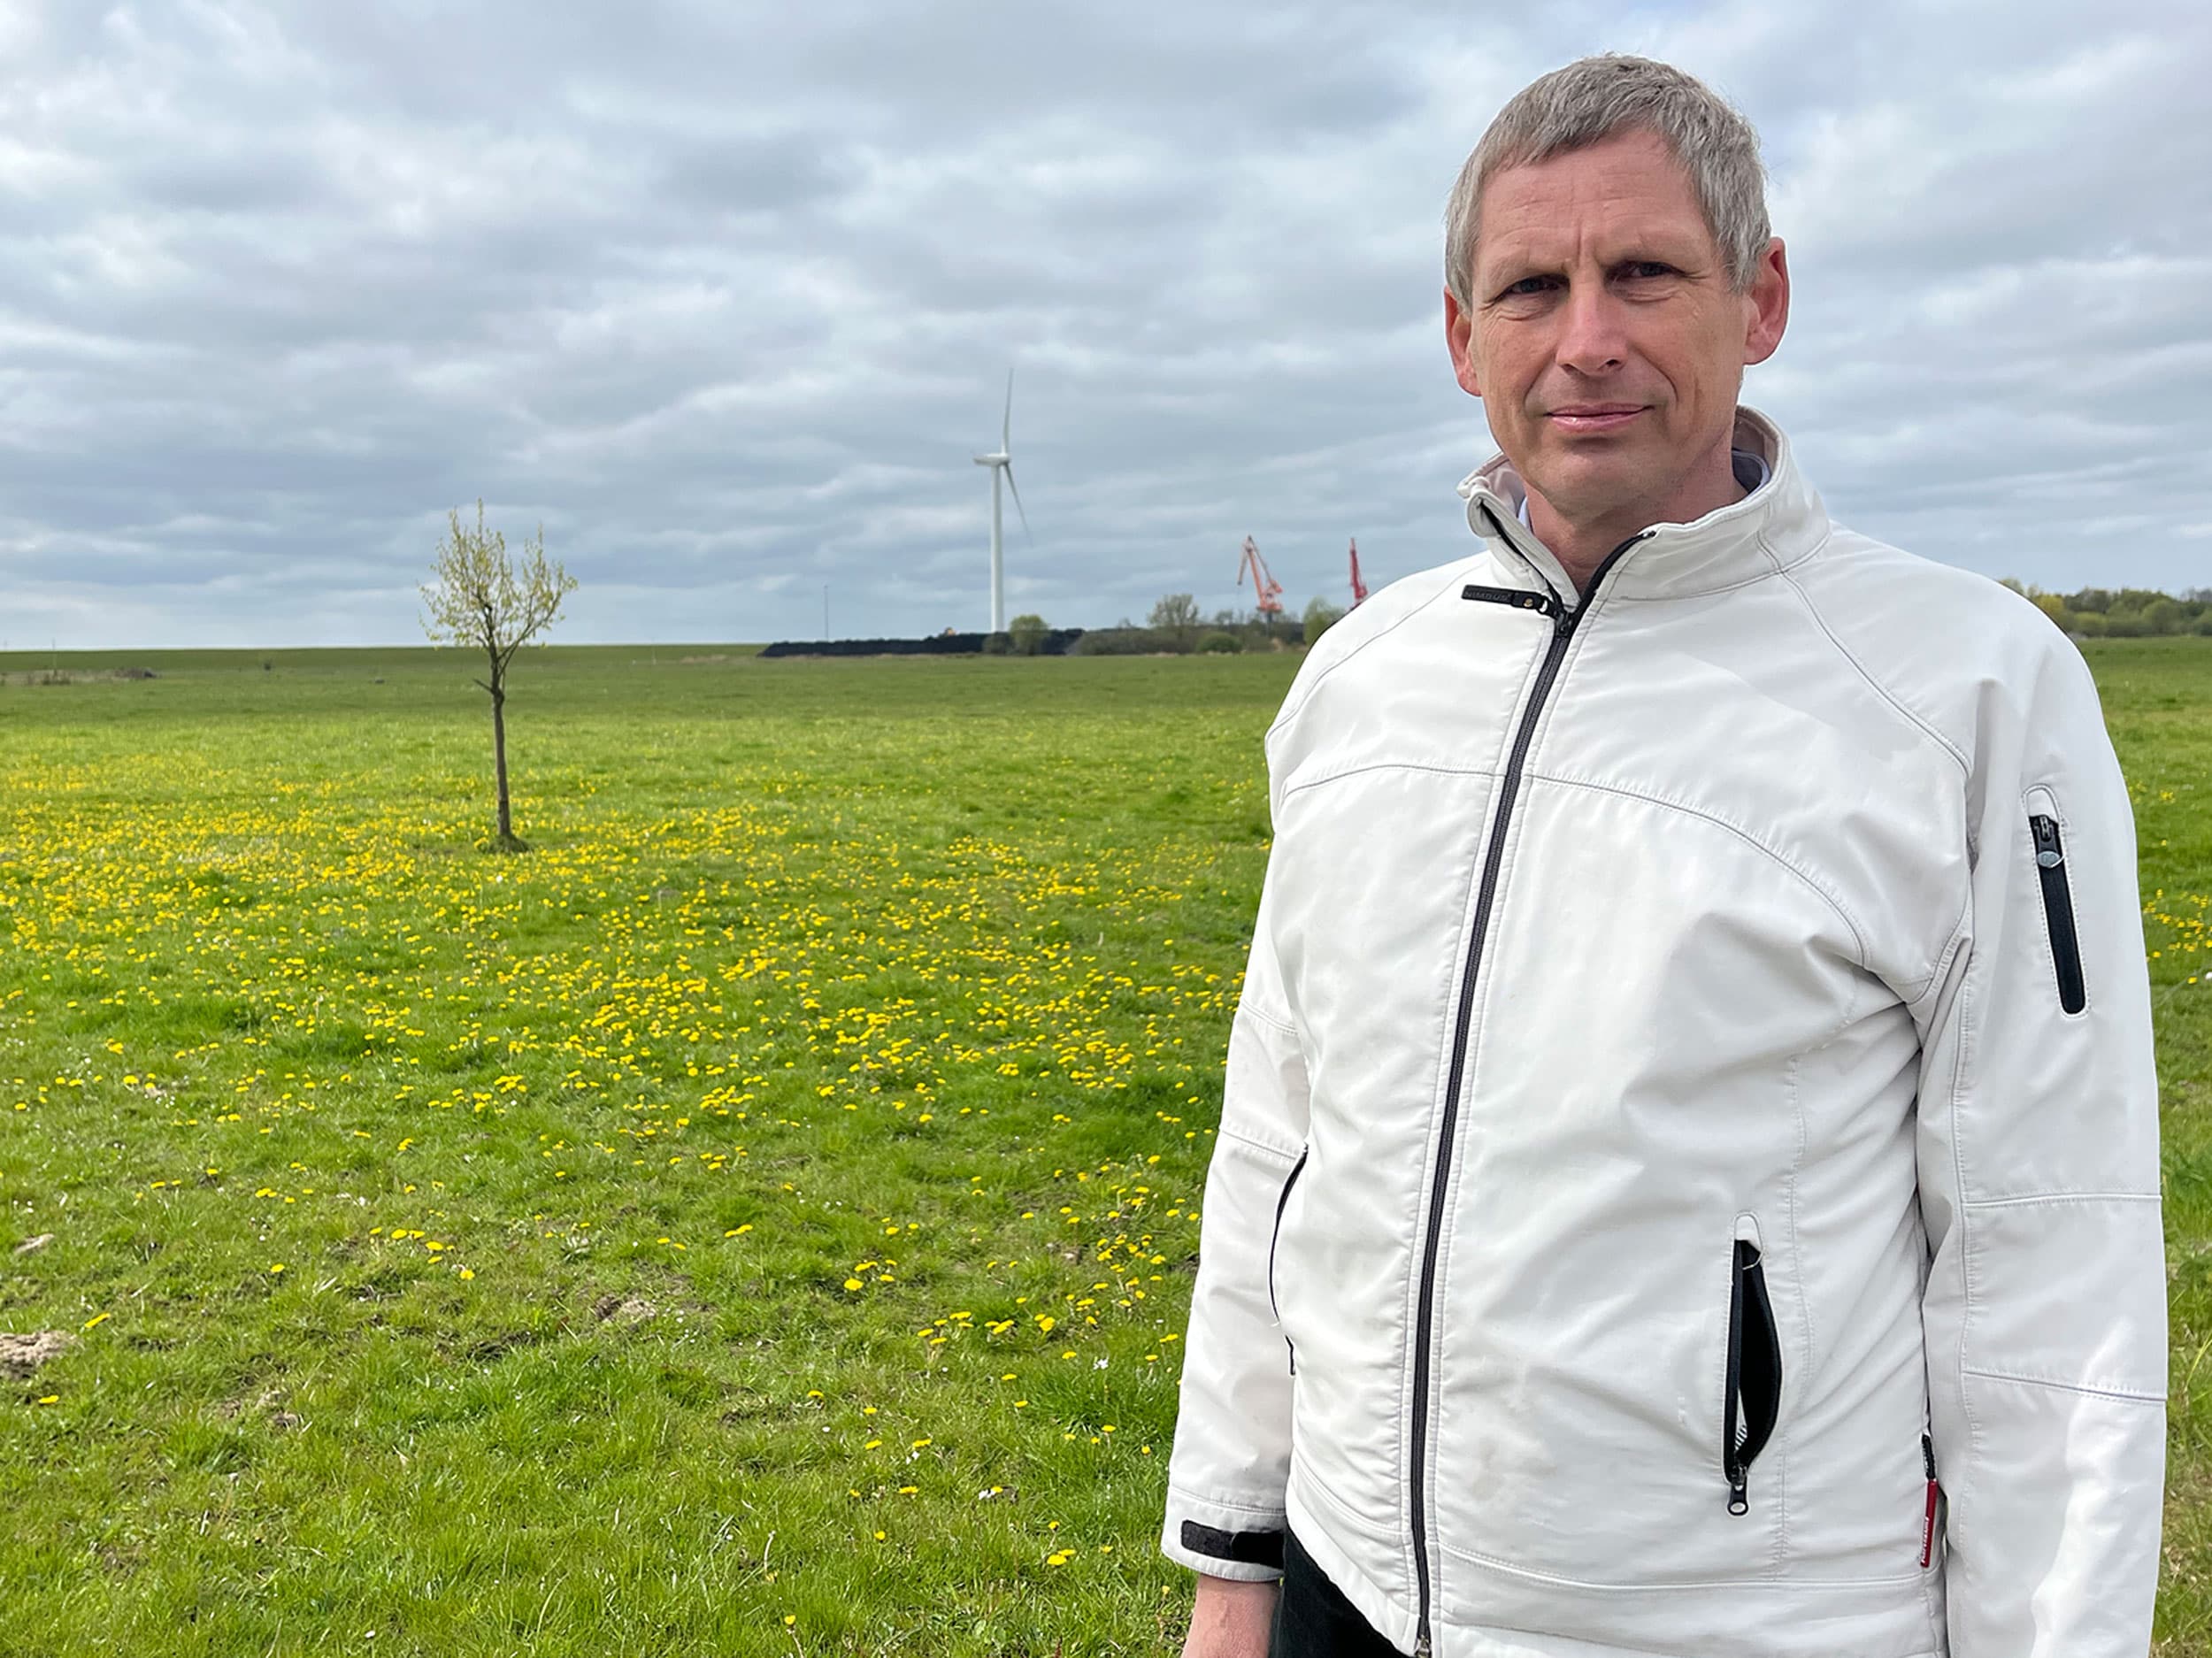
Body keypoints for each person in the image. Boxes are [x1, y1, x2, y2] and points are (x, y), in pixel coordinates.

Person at [1164, 53, 2164, 1658]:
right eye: (1530, 287)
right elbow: (1278, 1144)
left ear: (1761, 299)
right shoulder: (1360, 680)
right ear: (1460, 336)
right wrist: (1236, 1558)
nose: (1586, 340)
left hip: (1737, 1623)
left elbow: (2052, 1253)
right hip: (1351, 1593)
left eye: (1642, 272)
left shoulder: (1968, 695)